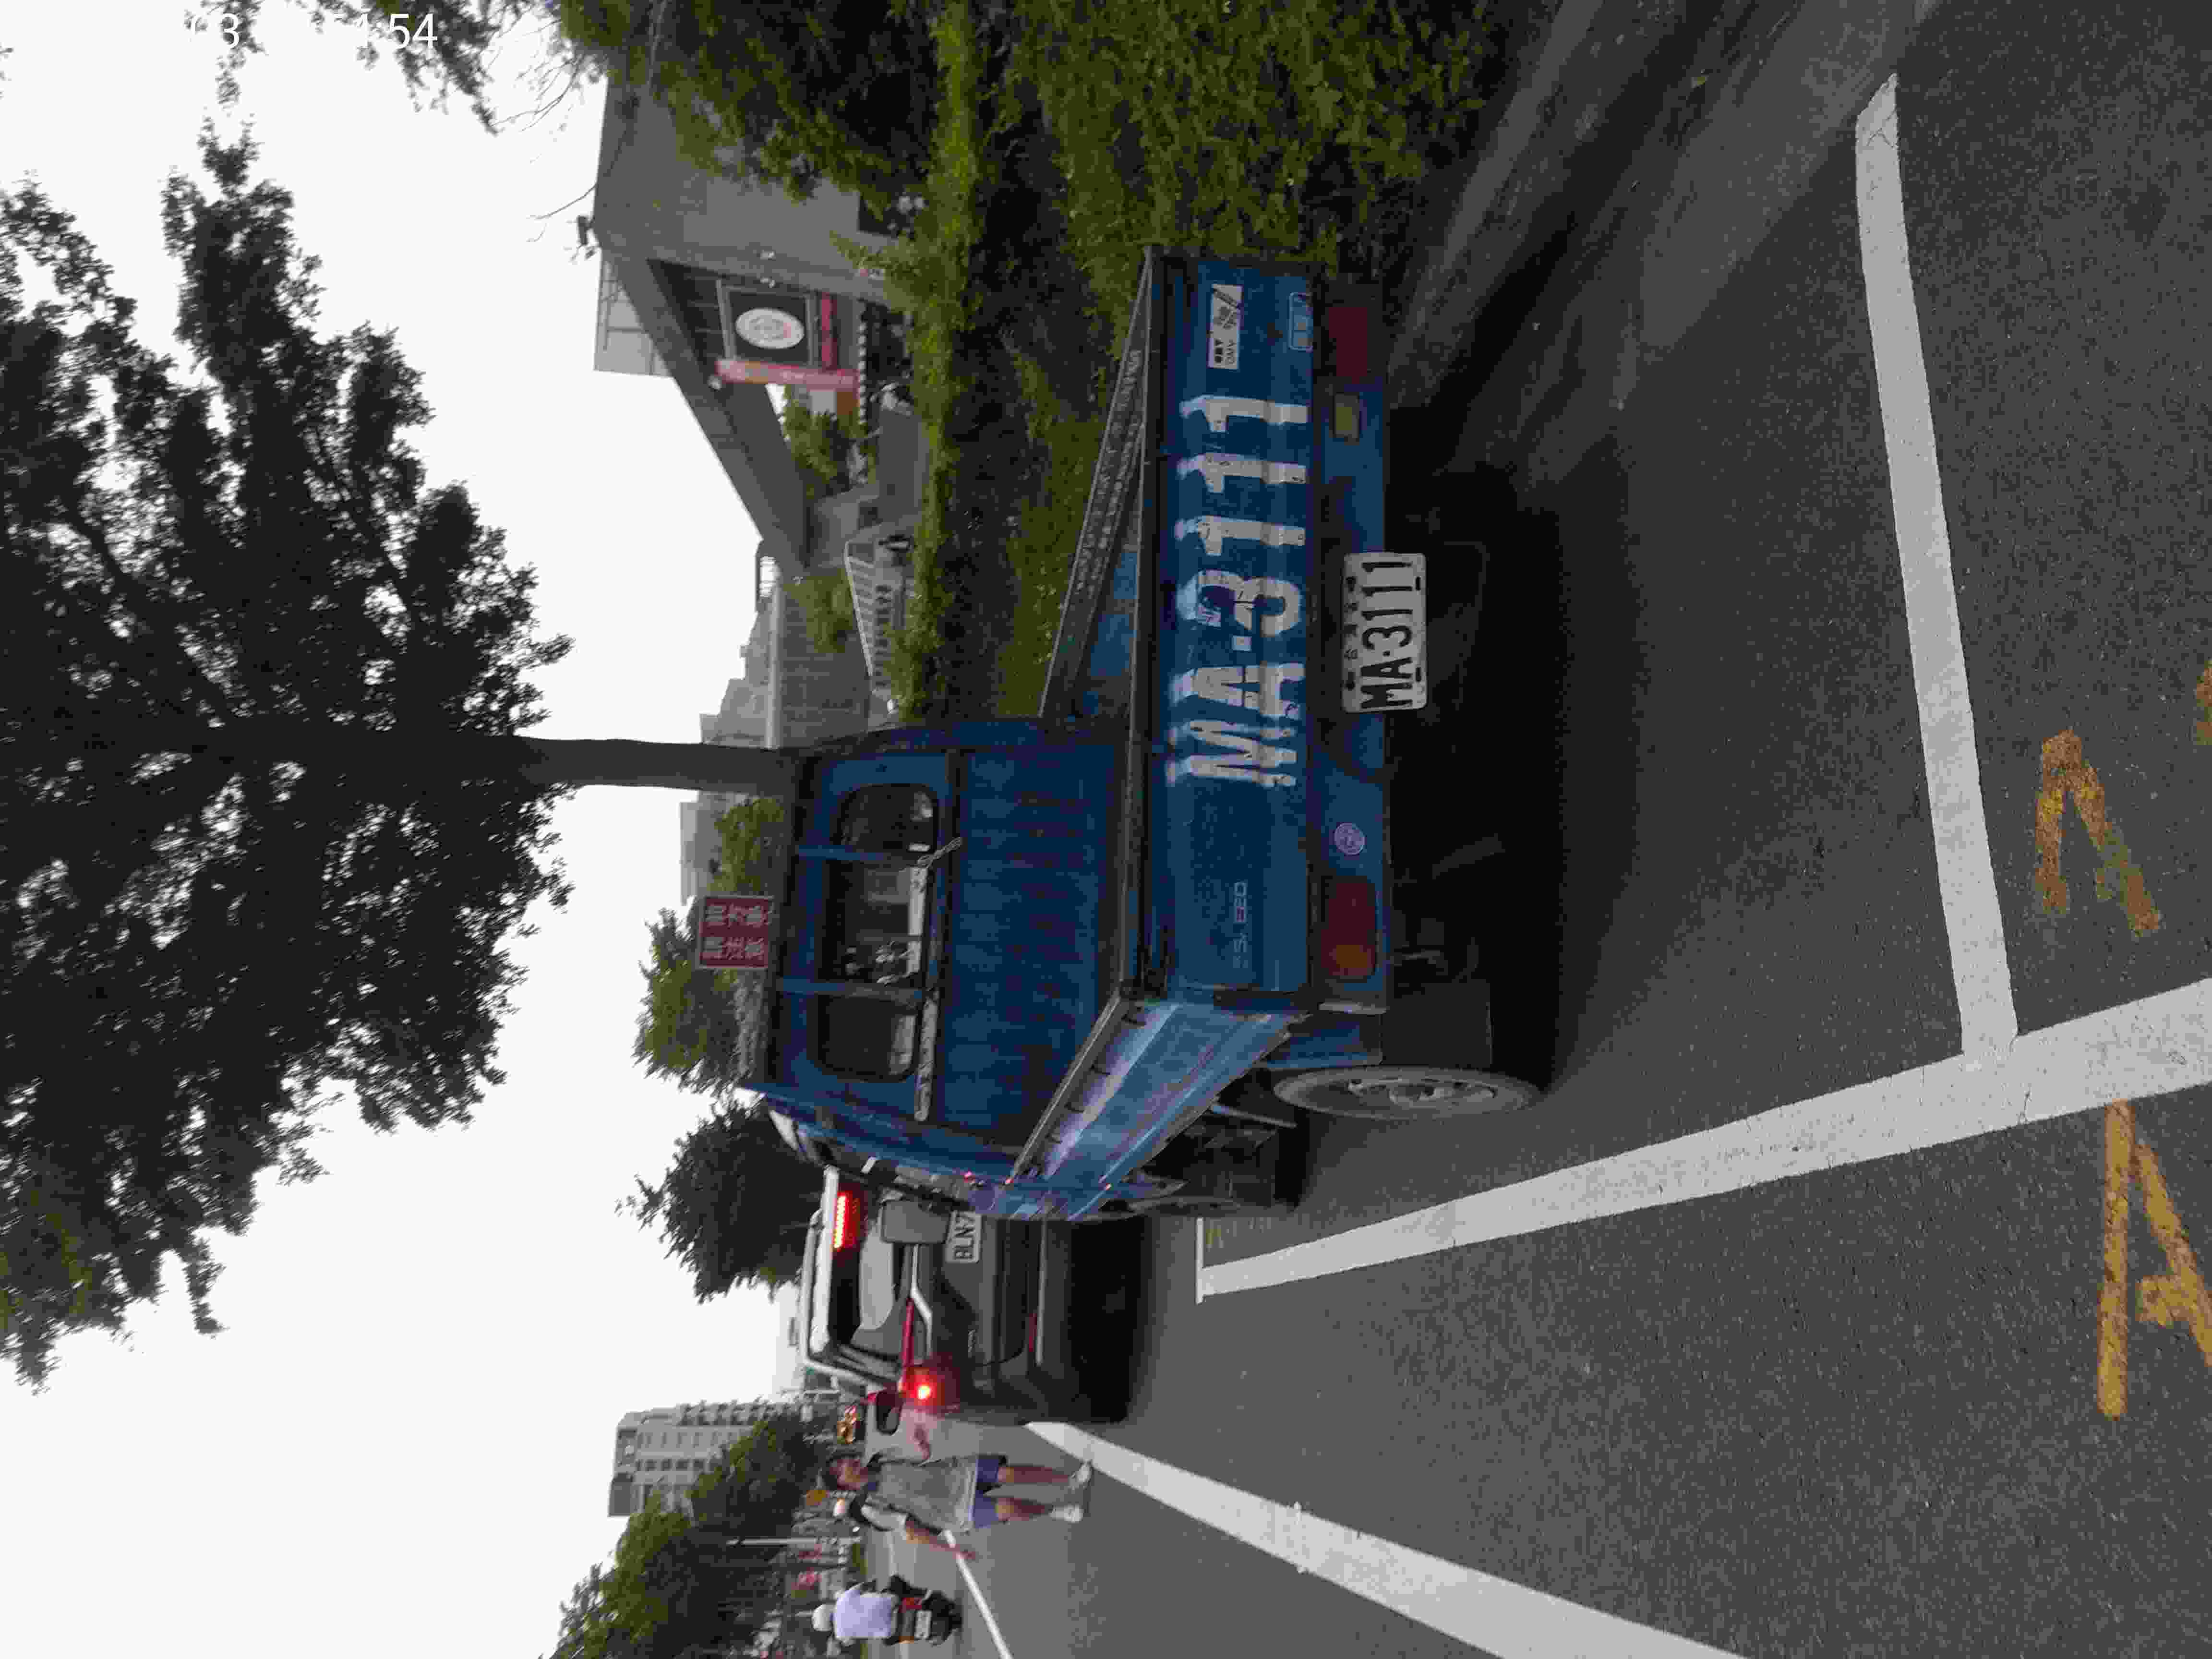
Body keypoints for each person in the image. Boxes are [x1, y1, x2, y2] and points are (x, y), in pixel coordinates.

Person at [821, 1450, 1093, 1556]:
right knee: (1009, 1508)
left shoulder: (881, 1459)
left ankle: (1069, 1481)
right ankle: (1054, 1510)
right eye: (839, 1471)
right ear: (843, 1485)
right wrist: (953, 1550)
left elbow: (920, 1456)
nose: (845, 1464)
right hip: (953, 1511)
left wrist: (920, 1444)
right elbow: (911, 1530)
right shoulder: (870, 1506)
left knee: (1009, 1473)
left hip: (958, 1473)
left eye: (841, 1461)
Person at [812, 1577, 918, 1643]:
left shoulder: (840, 1635)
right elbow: (862, 1587)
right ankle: (920, 1594)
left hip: (892, 1630)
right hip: (893, 1604)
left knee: (888, 1640)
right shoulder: (842, 1599)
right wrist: (871, 1584)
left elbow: (853, 1641)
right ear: (827, 1609)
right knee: (894, 1581)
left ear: (826, 1628)